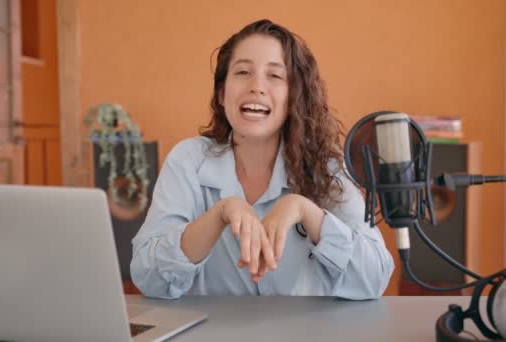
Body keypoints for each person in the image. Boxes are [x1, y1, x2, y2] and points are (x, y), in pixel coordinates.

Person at [130, 19, 394, 300]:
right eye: (243, 72)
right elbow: (149, 277)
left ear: (294, 96)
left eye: (275, 76)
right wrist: (220, 213)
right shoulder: (187, 160)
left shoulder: (327, 165)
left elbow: (375, 277)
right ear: (221, 94)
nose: (257, 87)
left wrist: (306, 211)